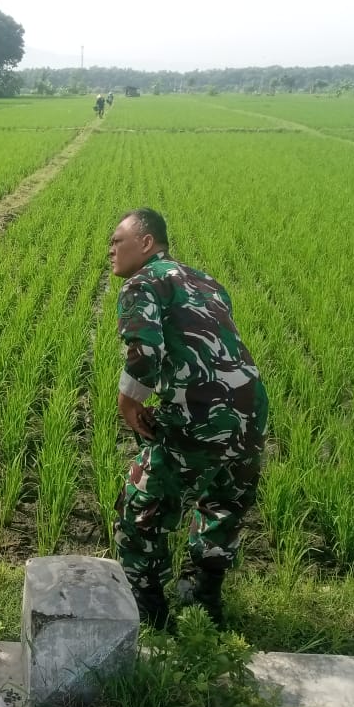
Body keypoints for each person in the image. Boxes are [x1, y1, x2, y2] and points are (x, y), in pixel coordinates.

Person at [108, 208, 267, 629]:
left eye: (117, 240)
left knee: (139, 508)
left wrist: (129, 403)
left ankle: (150, 615)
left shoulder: (142, 283)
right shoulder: (207, 281)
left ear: (146, 243)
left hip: (201, 412)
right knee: (222, 502)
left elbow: (145, 351)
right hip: (251, 409)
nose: (110, 249)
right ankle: (205, 600)